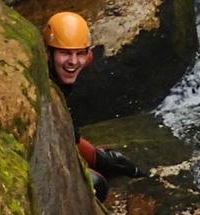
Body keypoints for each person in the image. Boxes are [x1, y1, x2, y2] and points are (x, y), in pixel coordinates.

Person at [42, 11, 146, 202]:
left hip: (65, 133)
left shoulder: (78, 61)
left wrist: (102, 159)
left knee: (114, 163)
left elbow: (71, 136)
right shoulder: (45, 87)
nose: (73, 62)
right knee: (96, 184)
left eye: (79, 53)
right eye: (65, 53)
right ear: (48, 53)